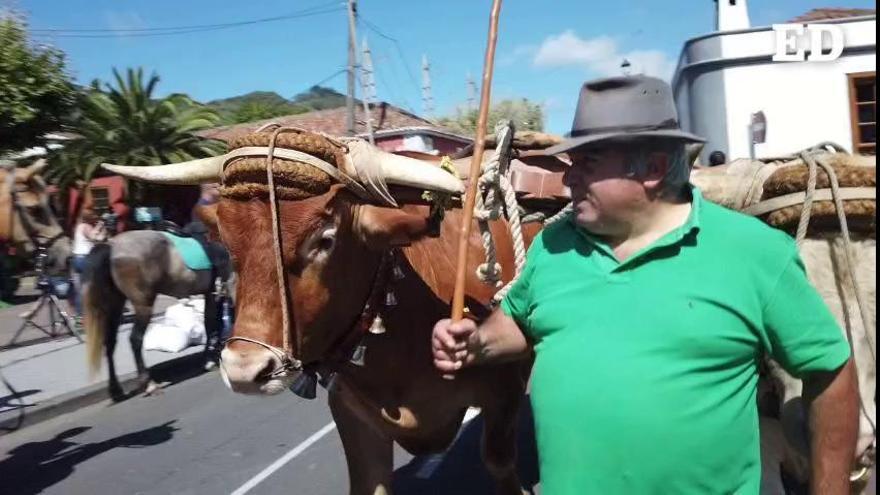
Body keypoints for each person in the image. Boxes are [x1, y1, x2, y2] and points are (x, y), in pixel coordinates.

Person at [432, 76, 858, 494]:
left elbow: (831, 371)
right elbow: (520, 322)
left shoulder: (754, 253)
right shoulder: (554, 245)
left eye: (588, 163)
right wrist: (475, 344)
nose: (568, 179)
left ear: (653, 169)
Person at [70, 209, 106, 318]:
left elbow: (95, 237)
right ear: (89, 217)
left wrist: (100, 228)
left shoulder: (79, 226)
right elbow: (95, 238)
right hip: (85, 258)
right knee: (95, 285)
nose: (96, 217)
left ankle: (79, 315)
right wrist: (101, 227)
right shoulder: (86, 226)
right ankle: (95, 312)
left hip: (77, 259)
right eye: (94, 215)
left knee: (82, 288)